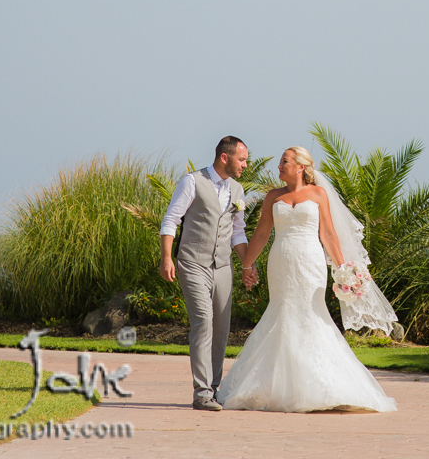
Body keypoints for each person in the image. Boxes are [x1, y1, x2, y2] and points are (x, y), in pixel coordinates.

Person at [216, 146, 397, 413]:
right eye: (279, 162)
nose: (279, 166)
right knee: (282, 312)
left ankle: (324, 386)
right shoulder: (272, 197)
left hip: (311, 264)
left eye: (284, 162)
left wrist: (344, 270)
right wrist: (247, 264)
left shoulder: (318, 194)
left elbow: (329, 235)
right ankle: (275, 387)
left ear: (300, 166)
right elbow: (263, 234)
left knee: (312, 314)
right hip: (280, 262)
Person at [159, 136, 256, 411]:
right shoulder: (192, 181)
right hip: (192, 263)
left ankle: (213, 389)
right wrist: (167, 257)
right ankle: (201, 393)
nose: (245, 165)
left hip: (223, 266)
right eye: (242, 159)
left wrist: (248, 264)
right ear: (225, 158)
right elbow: (171, 219)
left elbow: (238, 232)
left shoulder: (237, 190)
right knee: (203, 321)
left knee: (221, 329)